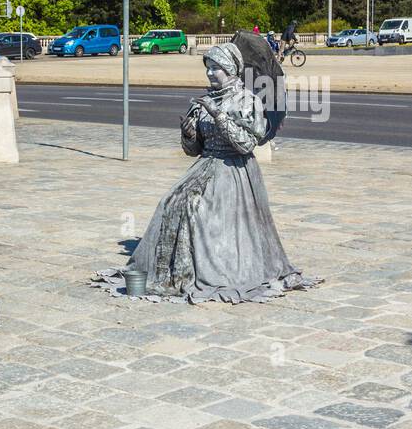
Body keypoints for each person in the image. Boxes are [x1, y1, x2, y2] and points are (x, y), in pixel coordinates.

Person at [94, 41, 318, 302]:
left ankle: (211, 268)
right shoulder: (203, 101)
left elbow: (246, 145)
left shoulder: (247, 101)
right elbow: (194, 149)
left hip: (234, 170)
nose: (211, 73)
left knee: (196, 206)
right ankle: (178, 271)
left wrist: (220, 117)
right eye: (208, 68)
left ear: (231, 69)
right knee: (171, 202)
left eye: (216, 68)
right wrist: (189, 133)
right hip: (206, 165)